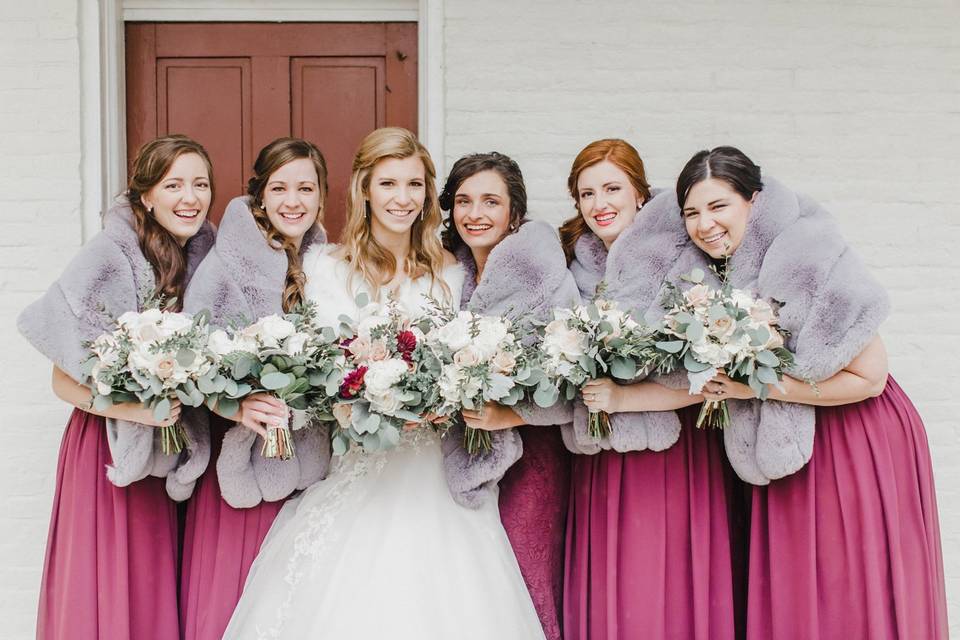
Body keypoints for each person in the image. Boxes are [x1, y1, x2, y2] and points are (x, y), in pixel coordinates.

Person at [223, 127, 545, 639]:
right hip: (355, 462)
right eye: (388, 183)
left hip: (434, 468)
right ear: (364, 190)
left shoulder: (453, 274)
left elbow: (473, 361)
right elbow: (313, 371)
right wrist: (347, 398)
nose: (402, 198)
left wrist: (449, 397)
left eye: (414, 185)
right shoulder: (324, 267)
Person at [675, 146, 948, 639]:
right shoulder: (721, 277)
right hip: (787, 433)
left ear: (753, 203)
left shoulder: (808, 254)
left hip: (853, 429)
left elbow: (870, 378)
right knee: (798, 584)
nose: (704, 224)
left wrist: (755, 387)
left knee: (848, 584)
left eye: (718, 206)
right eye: (692, 212)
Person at [18, 134, 216, 640]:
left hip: (171, 444)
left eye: (201, 184)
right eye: (174, 185)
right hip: (109, 446)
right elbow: (62, 377)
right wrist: (135, 410)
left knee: (159, 578)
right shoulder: (107, 256)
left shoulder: (204, 257)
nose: (190, 197)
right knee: (112, 580)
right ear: (146, 195)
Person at [560, 139, 738, 640]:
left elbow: (713, 378)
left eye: (613, 188)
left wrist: (624, 398)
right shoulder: (575, 266)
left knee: (658, 586)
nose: (600, 204)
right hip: (596, 456)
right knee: (606, 587)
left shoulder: (684, 262)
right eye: (587, 193)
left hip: (671, 454)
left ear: (641, 194)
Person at [179, 137, 330, 640]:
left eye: (305, 188)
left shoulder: (324, 267)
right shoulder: (224, 267)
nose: (294, 201)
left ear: (321, 196)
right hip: (240, 468)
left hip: (306, 468)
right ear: (260, 196)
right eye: (280, 188)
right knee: (235, 601)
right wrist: (235, 403)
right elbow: (191, 359)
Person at [439, 152, 579, 640]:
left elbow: (571, 380)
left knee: (524, 581)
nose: (475, 213)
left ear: (514, 213)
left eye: (490, 201)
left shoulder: (543, 277)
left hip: (530, 458)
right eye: (463, 201)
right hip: (455, 454)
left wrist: (510, 413)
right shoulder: (448, 277)